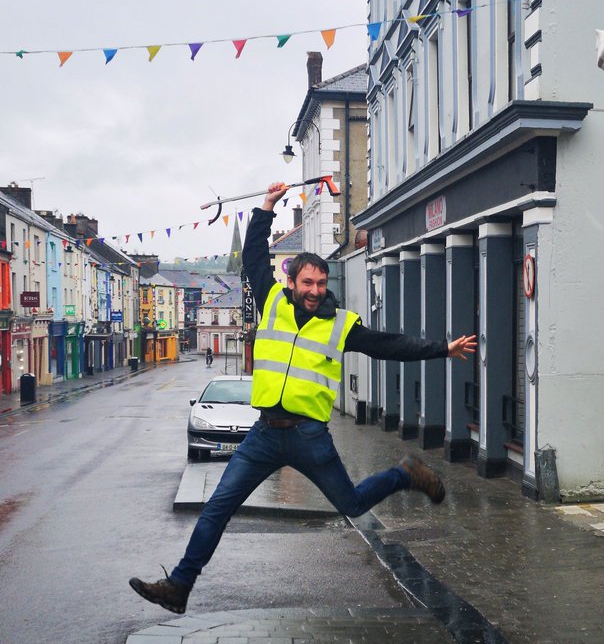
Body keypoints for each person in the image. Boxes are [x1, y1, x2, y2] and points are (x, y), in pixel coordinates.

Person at [130, 181, 476, 615]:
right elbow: (254, 255)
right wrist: (267, 208)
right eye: (307, 282)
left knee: (349, 504)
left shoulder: (341, 324)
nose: (314, 290)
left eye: (320, 283)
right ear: (291, 281)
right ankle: (180, 586)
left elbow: (390, 344)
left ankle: (405, 474)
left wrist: (442, 348)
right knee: (218, 507)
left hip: (310, 436)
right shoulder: (272, 301)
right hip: (263, 435)